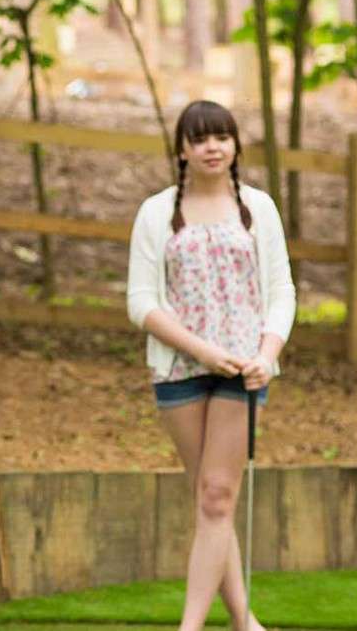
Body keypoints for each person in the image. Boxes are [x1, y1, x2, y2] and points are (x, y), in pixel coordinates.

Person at [126, 100, 295, 631]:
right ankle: (244, 621)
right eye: (200, 139)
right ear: (181, 149)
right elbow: (141, 301)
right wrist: (201, 350)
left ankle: (191, 626)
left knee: (218, 494)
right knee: (208, 498)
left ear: (236, 145)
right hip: (179, 369)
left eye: (222, 137)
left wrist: (266, 354)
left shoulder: (259, 208)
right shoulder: (156, 212)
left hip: (243, 371)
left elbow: (281, 292)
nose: (213, 147)